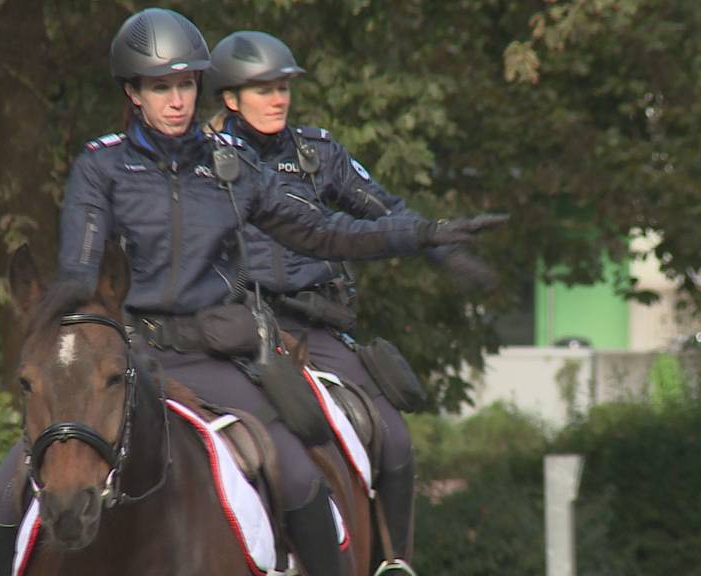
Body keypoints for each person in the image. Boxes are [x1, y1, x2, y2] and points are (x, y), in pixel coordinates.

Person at [0, 8, 505, 576]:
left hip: (215, 357)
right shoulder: (101, 167)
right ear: (133, 92)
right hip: (128, 356)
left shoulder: (233, 169)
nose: (177, 100)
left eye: (185, 84)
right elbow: (80, 277)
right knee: (0, 500)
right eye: (160, 87)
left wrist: (422, 234)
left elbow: (323, 231)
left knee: (301, 477)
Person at [206, 31, 498, 574]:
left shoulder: (318, 154)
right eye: (263, 88)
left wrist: (437, 249)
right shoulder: (204, 161)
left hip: (315, 326)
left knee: (393, 435)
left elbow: (383, 211)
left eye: (284, 87)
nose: (278, 98)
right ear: (229, 97)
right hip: (237, 328)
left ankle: (394, 562)